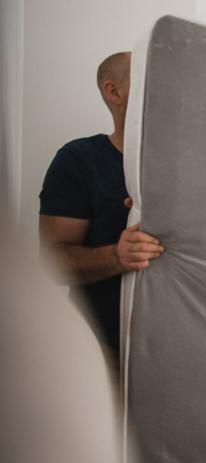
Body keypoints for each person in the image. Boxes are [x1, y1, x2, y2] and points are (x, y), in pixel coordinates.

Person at [38, 51, 164, 373]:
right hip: (101, 356)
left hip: (178, 355)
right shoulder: (79, 160)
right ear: (113, 91)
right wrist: (117, 257)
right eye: (148, 74)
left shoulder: (189, 166)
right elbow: (53, 262)